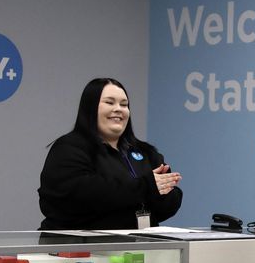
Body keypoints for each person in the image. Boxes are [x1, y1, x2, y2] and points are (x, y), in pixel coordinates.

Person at [38, 78, 182, 230]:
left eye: (124, 105)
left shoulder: (146, 152)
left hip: (138, 241)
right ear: (91, 107)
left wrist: (162, 191)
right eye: (109, 102)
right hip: (78, 243)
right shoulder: (69, 148)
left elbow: (169, 201)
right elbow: (81, 194)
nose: (118, 109)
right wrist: (146, 187)